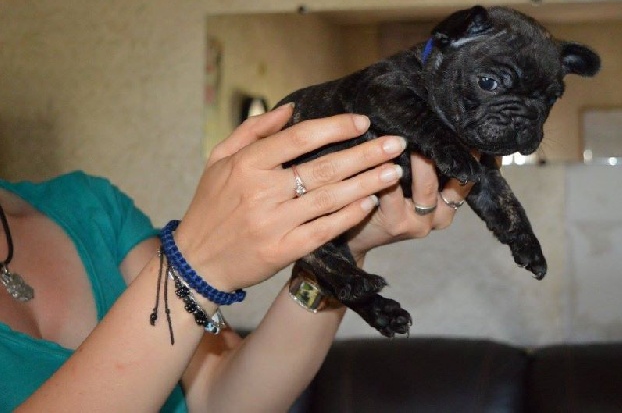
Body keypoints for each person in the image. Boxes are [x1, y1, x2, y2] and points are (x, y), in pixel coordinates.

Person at [0, 102, 472, 412]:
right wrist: (195, 265)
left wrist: (340, 250)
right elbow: (193, 273)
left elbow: (224, 398)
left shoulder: (89, 206)